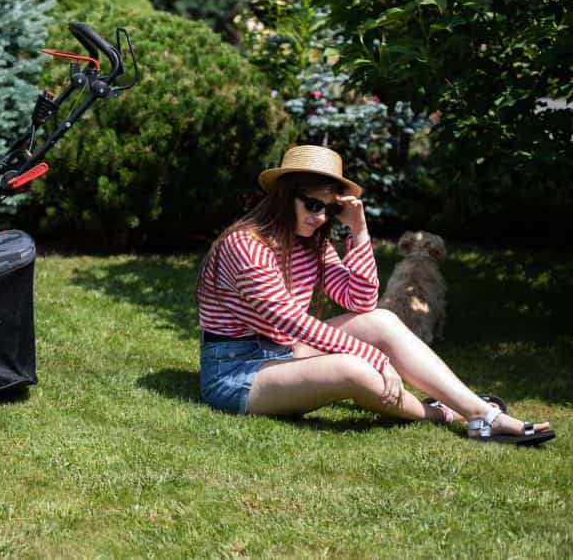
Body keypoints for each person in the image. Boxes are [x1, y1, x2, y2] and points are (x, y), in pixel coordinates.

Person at [196, 145, 555, 446]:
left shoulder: (311, 246)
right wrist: (374, 357)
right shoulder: (246, 246)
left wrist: (359, 231)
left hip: (283, 350)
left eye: (331, 209)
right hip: (236, 371)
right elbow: (291, 321)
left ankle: (480, 413)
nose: (321, 218)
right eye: (313, 205)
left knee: (382, 320)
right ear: (285, 196)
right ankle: (446, 412)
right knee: (355, 368)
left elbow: (362, 302)